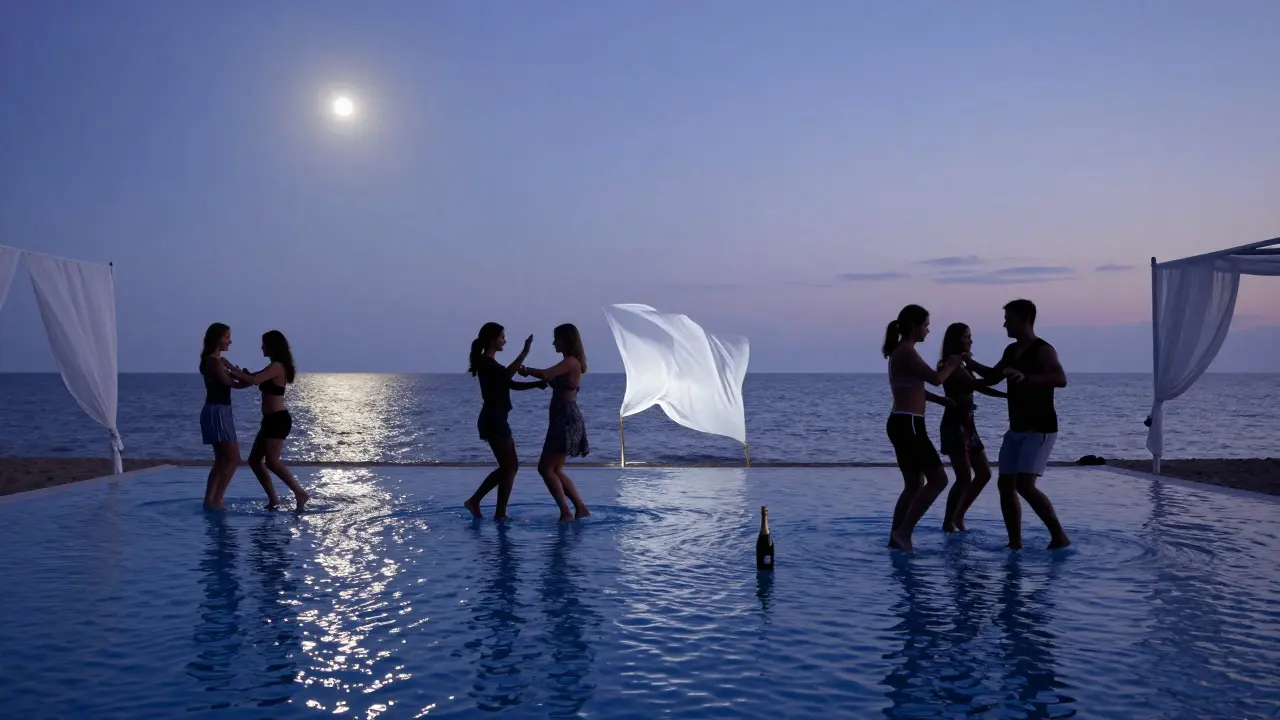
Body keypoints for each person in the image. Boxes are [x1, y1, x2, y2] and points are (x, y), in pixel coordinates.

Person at [964, 299, 1071, 550]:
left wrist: (1028, 377)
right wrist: (970, 364)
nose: (1004, 324)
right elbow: (992, 377)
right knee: (1005, 484)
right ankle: (1015, 542)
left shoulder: (1043, 349)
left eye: (1008, 319)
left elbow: (1060, 378)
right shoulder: (1011, 351)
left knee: (1025, 485)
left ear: (1024, 320)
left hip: (1040, 428)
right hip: (1016, 428)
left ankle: (1059, 536)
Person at [882, 305, 966, 553]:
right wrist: (952, 363)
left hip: (902, 422)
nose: (928, 331)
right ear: (913, 327)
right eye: (926, 325)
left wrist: (941, 402)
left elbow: (913, 387)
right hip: (908, 424)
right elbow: (937, 379)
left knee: (914, 483)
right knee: (939, 479)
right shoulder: (907, 352)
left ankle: (896, 538)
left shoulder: (901, 353)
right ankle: (903, 532)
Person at [463, 322, 548, 520]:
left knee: (509, 467)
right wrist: (525, 352)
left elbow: (510, 384)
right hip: (493, 419)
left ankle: (498, 511)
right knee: (510, 467)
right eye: (502, 337)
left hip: (496, 418)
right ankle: (478, 503)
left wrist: (536, 384)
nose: (505, 340)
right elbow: (507, 375)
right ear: (493, 340)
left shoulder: (491, 365)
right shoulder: (486, 363)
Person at [222, 331, 310, 511]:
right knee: (254, 460)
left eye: (264, 344)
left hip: (278, 420)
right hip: (269, 420)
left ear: (272, 346)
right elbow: (246, 381)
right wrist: (230, 376)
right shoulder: (270, 367)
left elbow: (254, 380)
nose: (261, 347)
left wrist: (230, 366)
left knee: (271, 461)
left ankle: (300, 492)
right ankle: (274, 500)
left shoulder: (277, 366)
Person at [936, 322, 1006, 532]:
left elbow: (977, 386)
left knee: (984, 473)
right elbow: (975, 385)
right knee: (964, 477)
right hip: (954, 426)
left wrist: (1007, 396)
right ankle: (949, 521)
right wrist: (1010, 395)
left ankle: (958, 515)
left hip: (969, 426)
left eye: (970, 336)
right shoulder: (948, 364)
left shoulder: (963, 365)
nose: (971, 340)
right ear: (956, 340)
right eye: (967, 336)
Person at [519, 323, 591, 522]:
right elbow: (550, 379)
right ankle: (580, 508)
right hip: (562, 418)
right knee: (555, 469)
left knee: (545, 468)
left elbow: (545, 374)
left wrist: (523, 368)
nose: (553, 343)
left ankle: (566, 512)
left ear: (566, 340)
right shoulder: (571, 363)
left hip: (565, 420)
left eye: (556, 339)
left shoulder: (570, 361)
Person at [198, 323, 250, 510]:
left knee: (221, 459)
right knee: (233, 458)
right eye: (227, 336)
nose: (230, 340)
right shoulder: (214, 361)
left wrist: (245, 378)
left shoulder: (214, 361)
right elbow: (231, 383)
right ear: (217, 338)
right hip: (218, 411)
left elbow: (232, 383)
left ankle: (210, 500)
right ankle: (217, 499)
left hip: (218, 410)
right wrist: (246, 378)